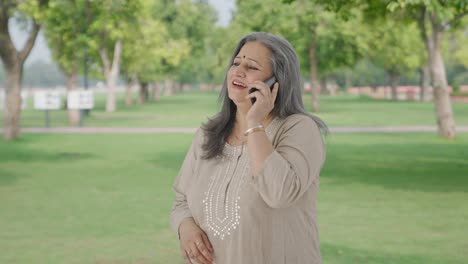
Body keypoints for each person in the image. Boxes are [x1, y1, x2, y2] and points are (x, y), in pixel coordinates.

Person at [170, 32, 327, 264]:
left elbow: (279, 194)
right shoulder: (208, 134)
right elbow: (181, 200)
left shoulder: (300, 129)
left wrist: (253, 123)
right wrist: (185, 227)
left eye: (251, 67)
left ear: (276, 83)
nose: (239, 71)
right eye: (236, 63)